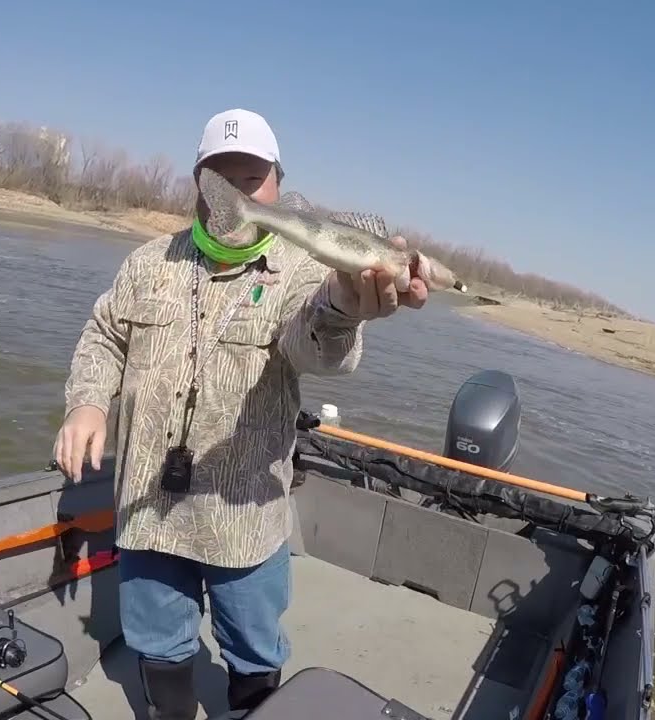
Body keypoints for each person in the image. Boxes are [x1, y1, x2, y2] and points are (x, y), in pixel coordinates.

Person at [53, 108, 429, 719]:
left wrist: (343, 307)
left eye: (252, 178)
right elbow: (105, 335)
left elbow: (317, 340)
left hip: (244, 519)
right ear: (197, 181)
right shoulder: (148, 262)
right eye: (219, 178)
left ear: (278, 181)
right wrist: (89, 402)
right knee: (158, 645)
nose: (236, 194)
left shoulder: (305, 269)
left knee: (255, 654)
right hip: (149, 510)